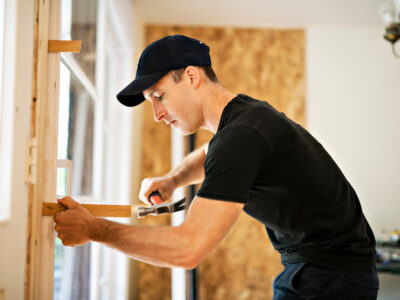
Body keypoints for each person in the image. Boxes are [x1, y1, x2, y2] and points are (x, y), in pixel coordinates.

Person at [54, 35, 379, 299]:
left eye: (159, 96)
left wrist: (94, 230)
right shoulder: (245, 117)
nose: (157, 113)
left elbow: (188, 250)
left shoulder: (240, 136)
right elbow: (211, 152)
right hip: (334, 271)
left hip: (328, 279)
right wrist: (173, 179)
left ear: (192, 76)